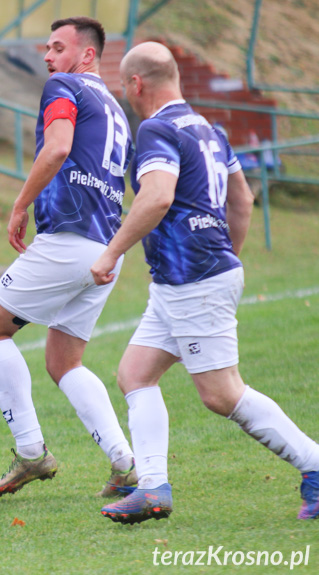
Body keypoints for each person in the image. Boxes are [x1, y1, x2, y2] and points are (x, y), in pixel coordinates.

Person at [92, 41, 319, 523]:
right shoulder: (209, 130)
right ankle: (153, 489)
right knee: (135, 374)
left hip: (192, 276)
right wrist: (225, 257)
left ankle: (315, 465)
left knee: (222, 394)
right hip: (188, 278)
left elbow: (155, 198)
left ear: (136, 84)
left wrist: (112, 252)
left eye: (126, 87)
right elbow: (243, 200)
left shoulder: (156, 129)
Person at [0, 16, 137, 499]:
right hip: (107, 247)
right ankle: (125, 463)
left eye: (58, 47)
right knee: (65, 361)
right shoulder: (116, 109)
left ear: (87, 56)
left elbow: (58, 147)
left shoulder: (65, 86)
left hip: (69, 240)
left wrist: (20, 204)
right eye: (46, 48)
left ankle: (30, 452)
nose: (48, 56)